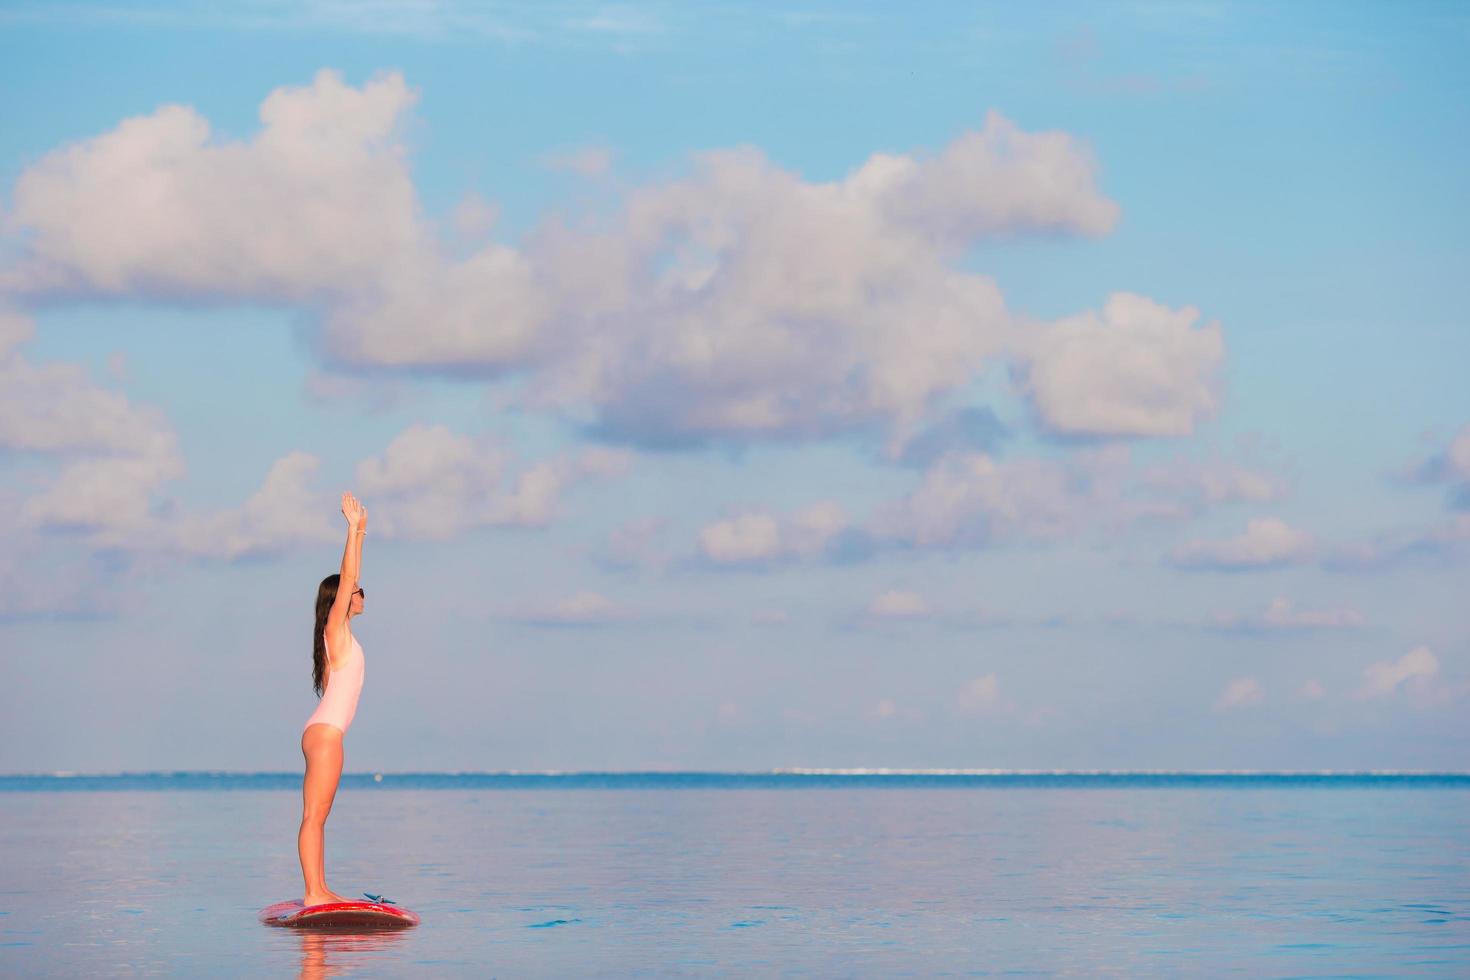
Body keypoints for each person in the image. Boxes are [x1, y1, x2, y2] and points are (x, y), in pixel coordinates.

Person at [298, 491, 368, 907]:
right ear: (340, 599)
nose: (360, 595)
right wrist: (352, 530)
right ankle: (312, 893)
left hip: (324, 733)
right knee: (315, 816)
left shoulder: (339, 638)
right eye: (356, 592)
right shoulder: (335, 630)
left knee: (319, 816)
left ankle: (319, 888)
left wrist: (361, 532)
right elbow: (349, 575)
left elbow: (351, 577)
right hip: (325, 736)